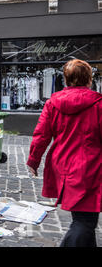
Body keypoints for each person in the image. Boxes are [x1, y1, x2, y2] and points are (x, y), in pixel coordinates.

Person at [27, 59, 101, 247]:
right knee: (85, 221)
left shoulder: (53, 103)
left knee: (84, 217)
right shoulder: (98, 104)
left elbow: (41, 135)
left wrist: (33, 161)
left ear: (66, 79)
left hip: (63, 165)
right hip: (90, 167)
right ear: (89, 79)